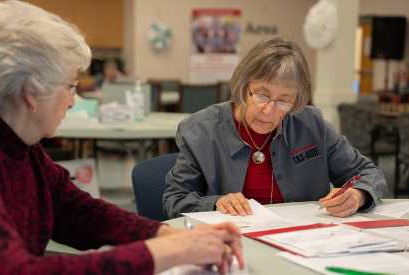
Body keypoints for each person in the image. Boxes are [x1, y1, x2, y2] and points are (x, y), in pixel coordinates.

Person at [0, 1, 245, 274]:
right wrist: (159, 252)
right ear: (30, 93)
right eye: (70, 86)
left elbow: (78, 211)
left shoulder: (14, 141)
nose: (73, 100)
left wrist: (168, 235)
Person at [163, 37, 387, 219]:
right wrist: (216, 203)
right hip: (232, 245)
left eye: (283, 100)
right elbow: (174, 200)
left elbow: (368, 173)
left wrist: (358, 195)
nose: (269, 110)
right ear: (244, 86)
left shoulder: (312, 125)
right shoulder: (200, 130)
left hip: (304, 243)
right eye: (262, 95)